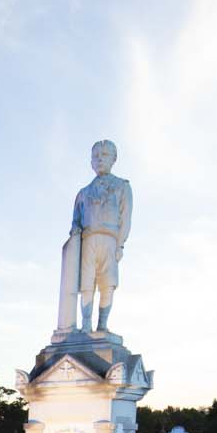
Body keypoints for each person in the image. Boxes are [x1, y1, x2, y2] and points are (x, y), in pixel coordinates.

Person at [69, 139, 132, 334]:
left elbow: (126, 217)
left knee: (108, 284)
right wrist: (75, 229)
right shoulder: (83, 193)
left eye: (104, 155)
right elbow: (75, 219)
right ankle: (86, 324)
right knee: (86, 283)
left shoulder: (122, 187)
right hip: (88, 240)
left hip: (109, 238)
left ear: (113, 159)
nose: (99, 160)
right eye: (95, 156)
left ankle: (102, 325)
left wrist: (120, 245)